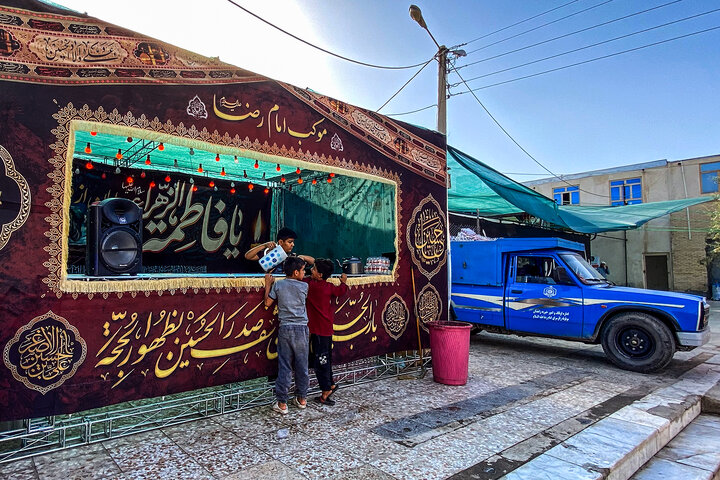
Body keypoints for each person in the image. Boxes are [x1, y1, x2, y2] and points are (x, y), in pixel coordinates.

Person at [265, 256, 310, 415]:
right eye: (303, 270)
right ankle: (302, 399)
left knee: (285, 366)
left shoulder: (278, 285)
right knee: (302, 365)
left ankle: (282, 403)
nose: (305, 273)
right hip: (302, 329)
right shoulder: (304, 286)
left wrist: (267, 285)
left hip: (285, 329)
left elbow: (267, 303)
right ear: (296, 272)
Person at [303, 259, 348, 406]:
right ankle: (331, 384)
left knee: (320, 361)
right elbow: (342, 290)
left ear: (320, 274)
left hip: (317, 331)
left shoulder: (311, 286)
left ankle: (325, 390)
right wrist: (343, 281)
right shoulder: (328, 287)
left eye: (314, 269)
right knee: (326, 359)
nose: (311, 270)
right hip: (327, 330)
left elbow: (299, 278)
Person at [245, 227, 314, 273]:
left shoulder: (292, 257)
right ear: (281, 242)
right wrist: (264, 245)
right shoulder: (270, 253)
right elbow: (248, 256)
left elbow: (313, 261)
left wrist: (303, 257)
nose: (293, 245)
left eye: (293, 242)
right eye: (290, 242)